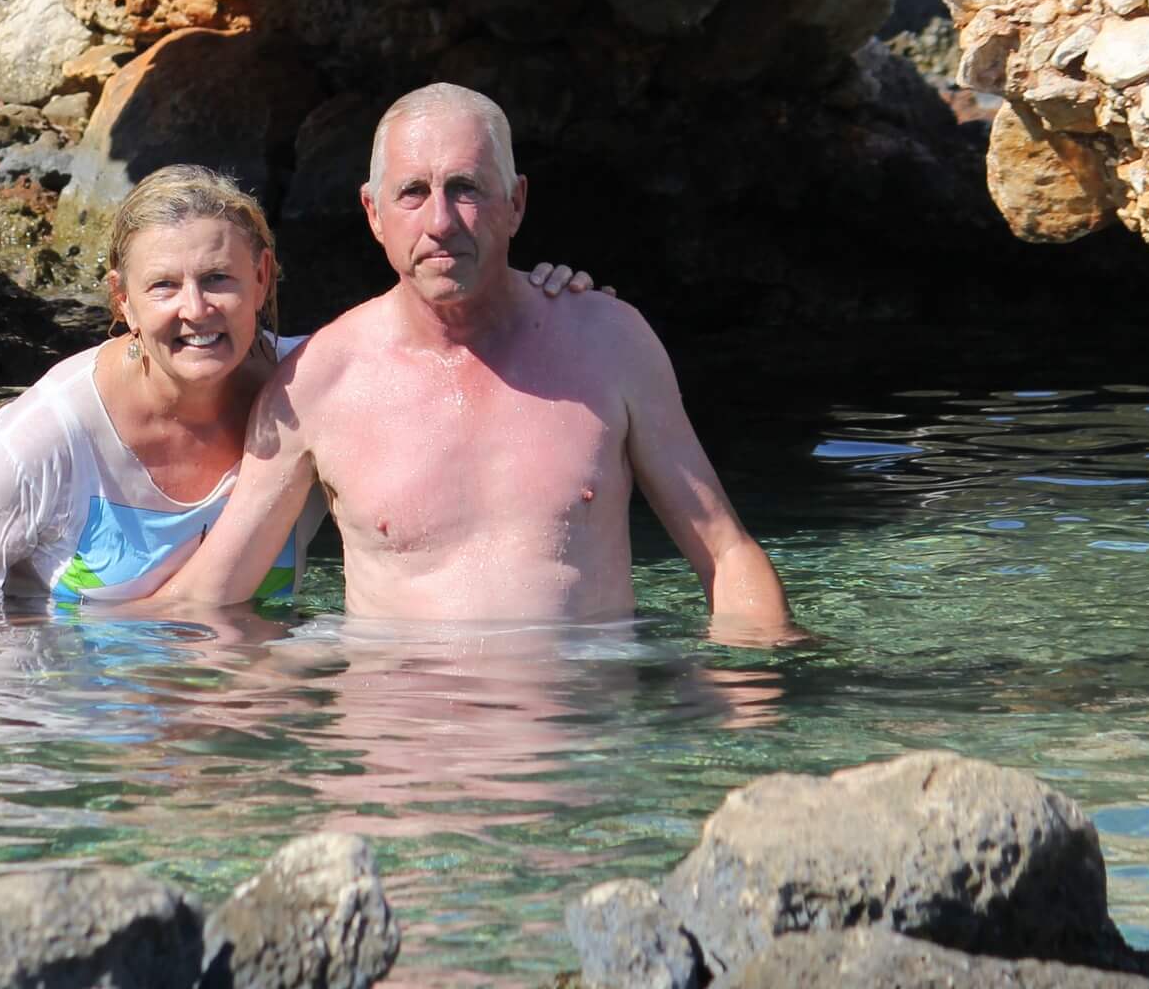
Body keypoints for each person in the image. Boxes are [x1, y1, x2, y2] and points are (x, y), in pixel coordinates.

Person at [148, 84, 796, 639]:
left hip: (575, 751)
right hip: (400, 751)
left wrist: (748, 714)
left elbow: (726, 554)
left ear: (515, 203)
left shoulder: (609, 343)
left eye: (466, 189)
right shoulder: (318, 382)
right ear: (373, 213)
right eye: (412, 192)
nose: (440, 220)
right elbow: (211, 599)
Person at [0, 162, 607, 606]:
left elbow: (454, 363)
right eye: (164, 286)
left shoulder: (319, 389)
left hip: (252, 727)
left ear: (261, 278)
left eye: (220, 279)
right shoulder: (43, 439)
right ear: (122, 302)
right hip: (84, 738)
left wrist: (536, 302)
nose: (195, 310)